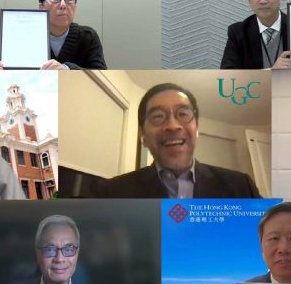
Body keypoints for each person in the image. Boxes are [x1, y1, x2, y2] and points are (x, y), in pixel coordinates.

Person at [94, 83, 262, 198]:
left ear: (196, 129)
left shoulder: (241, 187)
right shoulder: (110, 193)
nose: (173, 126)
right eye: (158, 116)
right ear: (142, 135)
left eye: (183, 114)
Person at [0, 0, 107, 70]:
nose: (63, 4)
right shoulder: (24, 35)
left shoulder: (88, 36)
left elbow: (102, 75)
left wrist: (66, 69)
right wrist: (1, 74)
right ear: (41, 7)